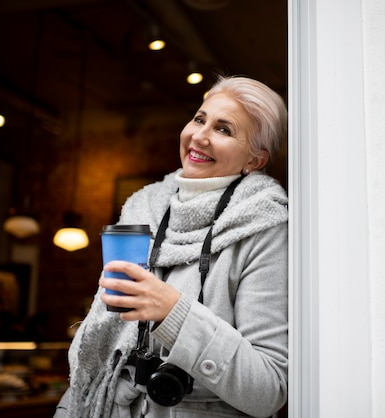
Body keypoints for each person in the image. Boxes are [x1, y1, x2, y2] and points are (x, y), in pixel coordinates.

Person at [55, 75, 289, 418]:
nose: (199, 136)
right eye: (199, 119)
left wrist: (175, 313)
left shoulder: (264, 226)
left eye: (223, 130)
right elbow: (101, 356)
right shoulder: (141, 210)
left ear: (254, 160)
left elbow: (269, 389)